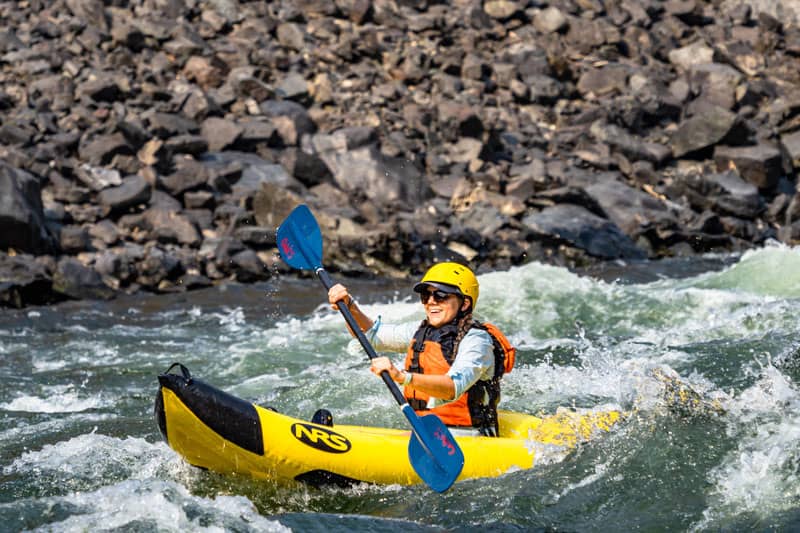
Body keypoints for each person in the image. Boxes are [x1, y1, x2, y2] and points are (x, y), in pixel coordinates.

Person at [327, 262, 515, 437]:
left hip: (470, 436)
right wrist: (350, 306)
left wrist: (402, 377)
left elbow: (452, 388)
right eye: (426, 295)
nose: (431, 301)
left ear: (464, 303)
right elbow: (370, 335)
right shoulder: (421, 331)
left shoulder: (477, 341)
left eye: (441, 295)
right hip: (427, 433)